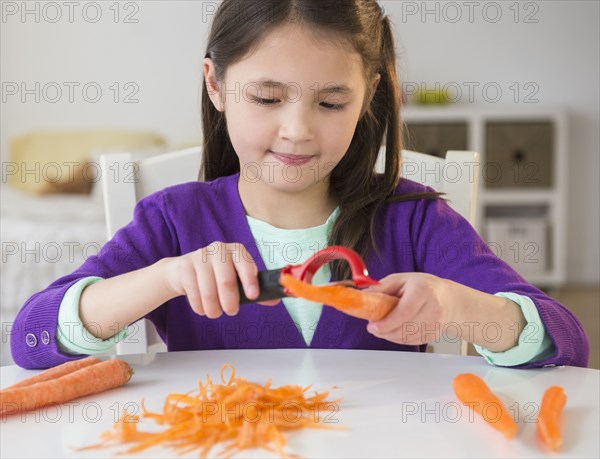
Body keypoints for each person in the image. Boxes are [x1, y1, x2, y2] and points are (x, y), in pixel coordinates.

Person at [11, 0, 588, 370]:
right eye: (266, 97)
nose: (297, 131)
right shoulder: (171, 223)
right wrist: (164, 278)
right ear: (215, 85)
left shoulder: (412, 219)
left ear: (368, 98)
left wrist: (457, 307)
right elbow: (29, 340)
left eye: (332, 102)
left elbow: (568, 341)